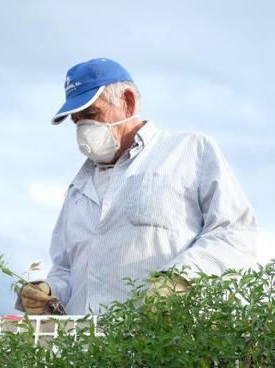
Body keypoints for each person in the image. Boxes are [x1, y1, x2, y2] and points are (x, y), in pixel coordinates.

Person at [19, 58, 257, 316]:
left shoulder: (189, 152)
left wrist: (180, 279)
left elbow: (235, 232)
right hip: (92, 350)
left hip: (170, 343)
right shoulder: (78, 189)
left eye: (91, 115)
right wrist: (50, 291)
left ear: (128, 101)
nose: (84, 128)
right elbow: (66, 269)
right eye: (77, 121)